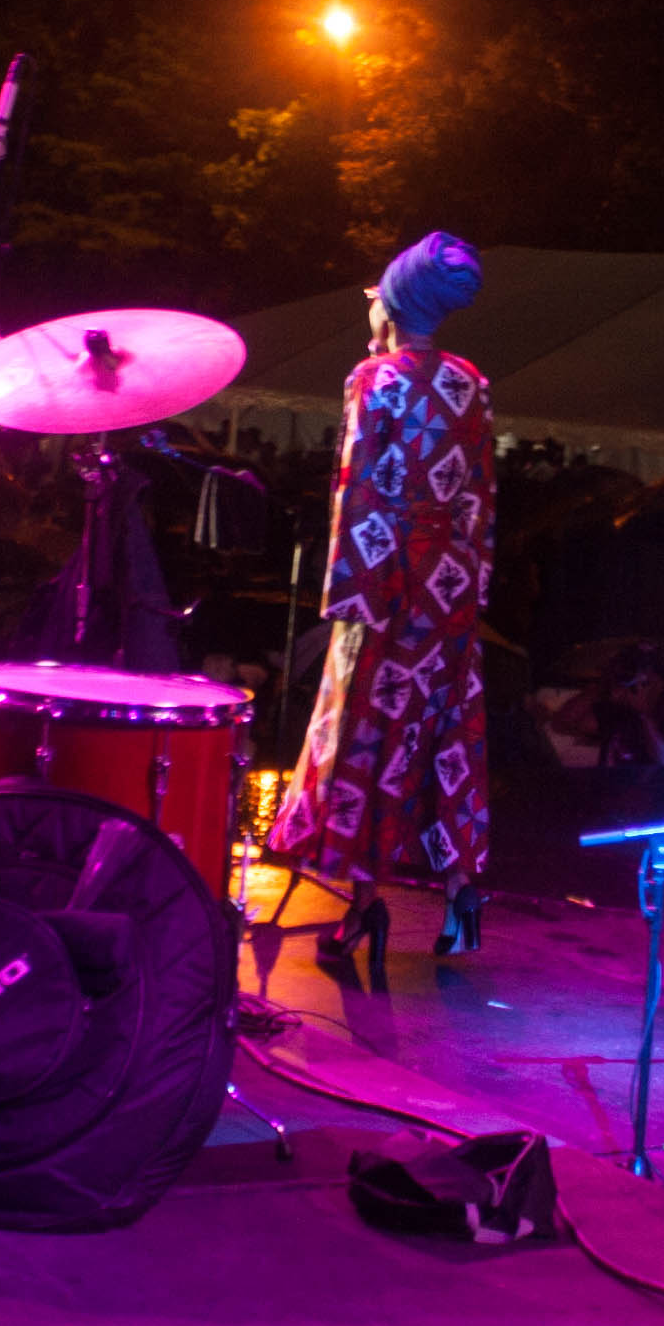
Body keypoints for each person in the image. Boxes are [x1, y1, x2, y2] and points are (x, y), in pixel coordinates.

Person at [267, 231, 496, 978]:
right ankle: (462, 891)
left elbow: (358, 487)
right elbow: (480, 492)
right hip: (451, 584)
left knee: (374, 735)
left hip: (390, 582)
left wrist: (351, 597)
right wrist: (469, 582)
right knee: (444, 731)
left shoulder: (374, 380)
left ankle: (361, 905)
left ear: (393, 303)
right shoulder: (471, 381)